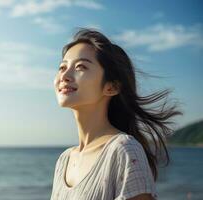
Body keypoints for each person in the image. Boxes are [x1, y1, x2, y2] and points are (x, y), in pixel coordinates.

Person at [50, 28, 183, 200]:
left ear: (111, 87)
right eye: (62, 67)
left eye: (80, 67)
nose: (65, 76)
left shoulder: (123, 150)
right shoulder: (64, 160)